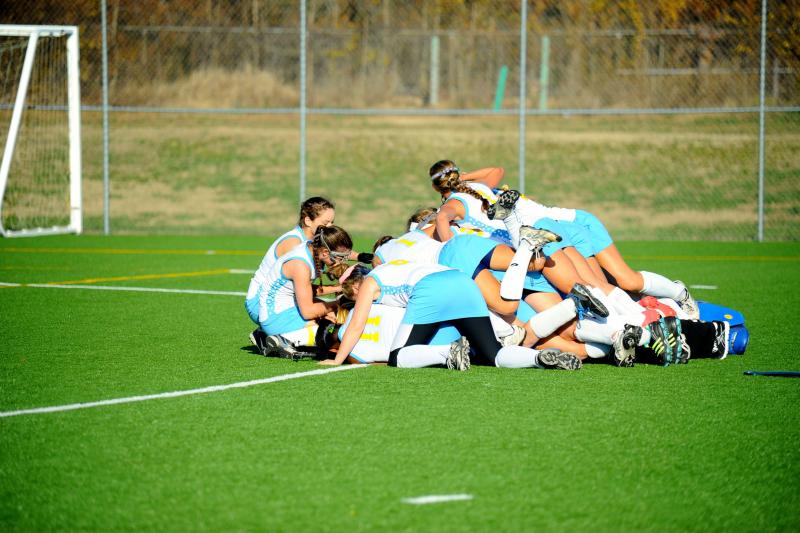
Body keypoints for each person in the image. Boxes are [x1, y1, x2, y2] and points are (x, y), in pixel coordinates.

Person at [320, 261, 583, 371]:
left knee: (398, 356)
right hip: (462, 281)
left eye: (354, 297)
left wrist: (338, 360)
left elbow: (356, 326)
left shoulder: (369, 284)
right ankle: (537, 359)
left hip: (431, 289)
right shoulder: (387, 267)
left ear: (356, 286)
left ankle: (448, 353)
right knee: (493, 354)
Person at [246, 225, 353, 357]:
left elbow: (305, 289)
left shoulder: (311, 249)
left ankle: (274, 336)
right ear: (325, 252)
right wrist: (340, 303)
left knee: (334, 316)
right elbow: (308, 312)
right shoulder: (300, 265)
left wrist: (338, 288)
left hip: (287, 307)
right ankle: (283, 339)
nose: (341, 261)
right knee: (335, 336)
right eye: (340, 257)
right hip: (276, 316)